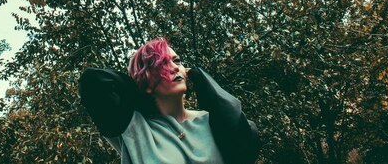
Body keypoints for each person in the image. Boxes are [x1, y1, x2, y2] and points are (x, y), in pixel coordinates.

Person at [79, 38, 260, 164]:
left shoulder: (213, 121)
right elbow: (92, 81)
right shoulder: (133, 128)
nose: (174, 67)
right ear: (146, 82)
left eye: (177, 61)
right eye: (162, 64)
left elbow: (246, 140)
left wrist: (202, 79)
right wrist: (140, 89)